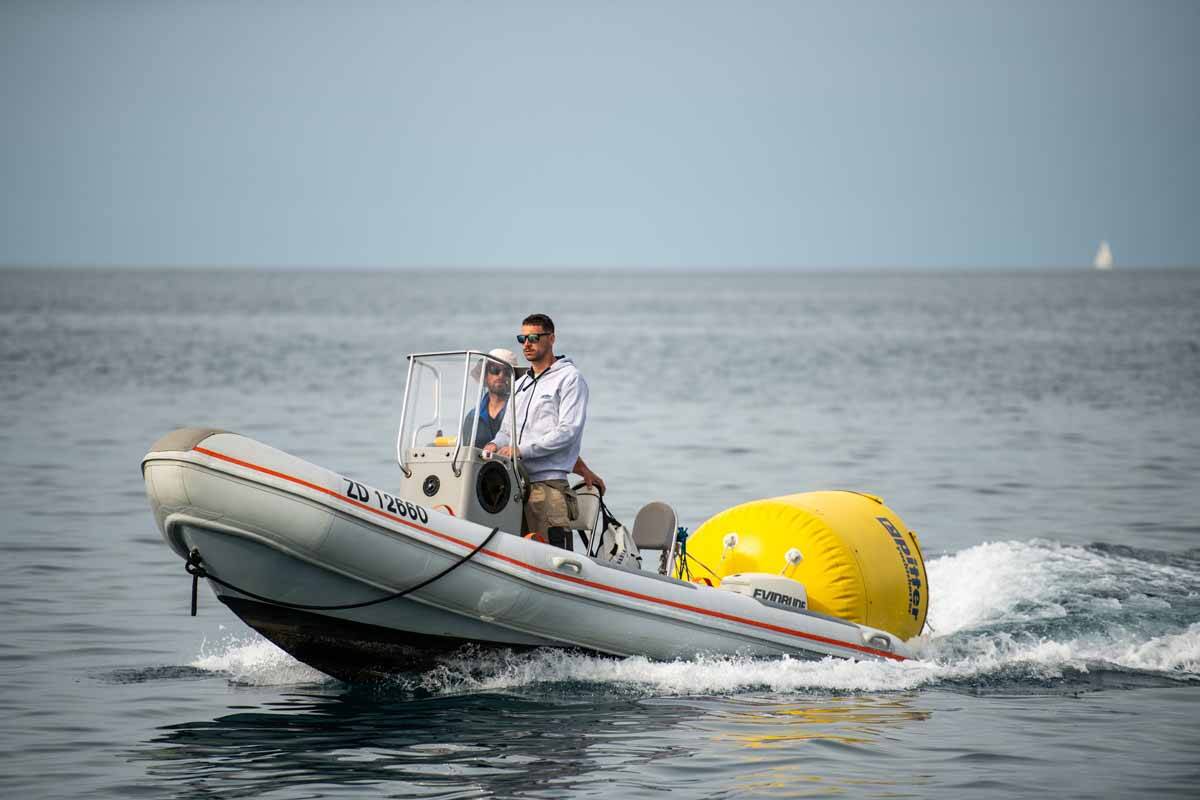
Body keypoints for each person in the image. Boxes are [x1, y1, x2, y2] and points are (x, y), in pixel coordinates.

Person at [484, 314, 592, 548]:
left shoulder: (570, 378)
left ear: (551, 338)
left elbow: (567, 432)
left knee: (553, 558)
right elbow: (506, 430)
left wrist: (521, 450)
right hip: (514, 486)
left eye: (533, 337)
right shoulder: (521, 384)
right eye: (522, 338)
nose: (527, 344)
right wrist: (494, 444)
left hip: (548, 487)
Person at [468, 346, 605, 497]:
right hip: (484, 486)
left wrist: (584, 471)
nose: (500, 376)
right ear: (485, 376)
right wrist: (493, 444)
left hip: (517, 482)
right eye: (494, 370)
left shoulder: (523, 404)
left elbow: (548, 438)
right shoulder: (471, 417)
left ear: (513, 377)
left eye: (507, 372)